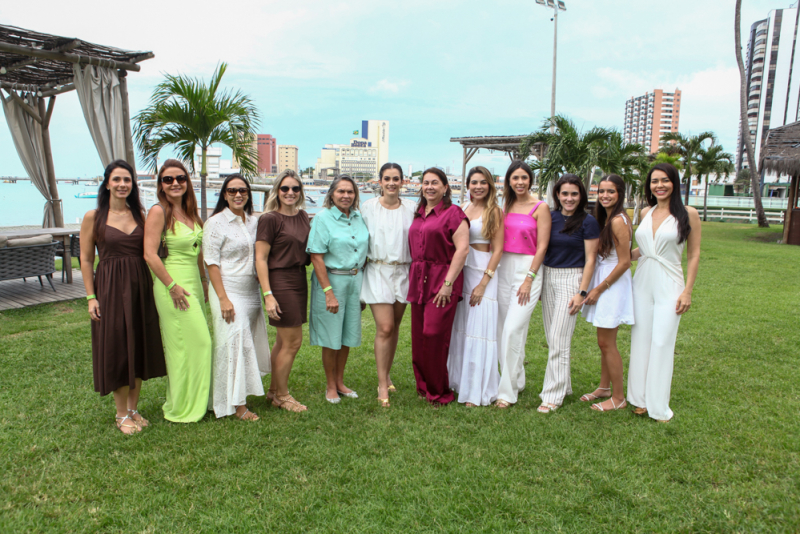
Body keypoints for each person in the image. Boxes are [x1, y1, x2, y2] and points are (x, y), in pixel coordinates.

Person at [81, 160, 166, 435]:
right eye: (116, 179)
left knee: (138, 345)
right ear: (107, 183)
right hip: (109, 287)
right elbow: (84, 259)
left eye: (127, 180)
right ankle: (120, 414)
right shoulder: (93, 217)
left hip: (140, 285)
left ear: (133, 185)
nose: (122, 185)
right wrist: (91, 297)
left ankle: (133, 409)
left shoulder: (140, 214)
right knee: (118, 347)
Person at [628, 163, 701, 422]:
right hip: (642, 280)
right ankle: (640, 399)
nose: (659, 185)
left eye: (665, 180)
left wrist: (687, 291)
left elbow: (693, 255)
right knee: (641, 339)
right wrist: (621, 257)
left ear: (674, 183)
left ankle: (659, 406)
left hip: (670, 281)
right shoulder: (646, 212)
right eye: (654, 181)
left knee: (662, 341)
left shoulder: (688, 213)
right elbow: (643, 249)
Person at [143, 159, 211, 423]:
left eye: (180, 178)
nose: (175, 183)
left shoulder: (192, 213)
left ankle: (197, 400)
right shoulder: (159, 212)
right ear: (161, 184)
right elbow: (149, 254)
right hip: (171, 285)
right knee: (194, 344)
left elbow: (198, 253)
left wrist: (204, 281)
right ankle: (183, 407)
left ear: (187, 182)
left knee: (193, 345)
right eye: (168, 179)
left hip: (193, 283)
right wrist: (171, 287)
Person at [203, 174, 270, 421]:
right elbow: (210, 262)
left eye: (242, 190)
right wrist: (222, 298)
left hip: (251, 292)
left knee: (245, 345)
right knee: (233, 345)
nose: (238, 195)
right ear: (224, 194)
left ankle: (237, 396)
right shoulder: (216, 223)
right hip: (228, 291)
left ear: (249, 194)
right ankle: (237, 406)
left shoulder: (254, 222)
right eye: (232, 191)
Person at [407, 167, 469, 406]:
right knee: (418, 336)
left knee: (433, 335)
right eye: (425, 183)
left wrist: (447, 284)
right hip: (419, 279)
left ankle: (439, 391)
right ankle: (423, 387)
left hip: (442, 280)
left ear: (445, 187)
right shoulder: (418, 213)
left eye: (435, 183)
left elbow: (462, 250)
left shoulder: (453, 213)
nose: (429, 187)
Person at [538, 174, 599, 414]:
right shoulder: (550, 217)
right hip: (548, 277)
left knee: (559, 341)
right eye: (564, 193)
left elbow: (591, 258)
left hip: (572, 279)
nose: (569, 198)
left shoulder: (588, 221)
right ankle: (565, 385)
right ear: (557, 195)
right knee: (553, 338)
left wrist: (581, 292)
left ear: (581, 196)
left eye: (574, 194)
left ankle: (552, 396)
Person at [307, 175, 370, 404]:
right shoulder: (323, 219)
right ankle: (330, 386)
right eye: (341, 191)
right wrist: (328, 293)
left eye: (350, 192)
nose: (346, 196)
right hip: (332, 281)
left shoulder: (358, 218)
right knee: (331, 336)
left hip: (355, 282)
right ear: (331, 194)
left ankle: (341, 381)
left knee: (347, 335)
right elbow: (316, 257)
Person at [494, 161, 551, 408]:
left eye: (524, 178)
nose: (519, 182)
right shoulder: (503, 206)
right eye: (515, 178)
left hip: (528, 270)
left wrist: (529, 279)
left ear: (531, 180)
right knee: (502, 330)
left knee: (513, 329)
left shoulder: (541, 207)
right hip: (503, 268)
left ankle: (506, 393)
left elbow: (543, 246)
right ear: (508, 181)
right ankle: (516, 379)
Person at [447, 166, 504, 407]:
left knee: (479, 330)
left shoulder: (495, 212)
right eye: (474, 182)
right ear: (467, 185)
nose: (478, 186)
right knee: (461, 328)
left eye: (483, 182)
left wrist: (483, 283)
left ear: (490, 185)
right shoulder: (461, 209)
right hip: (463, 272)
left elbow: (498, 249)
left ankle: (478, 389)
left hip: (483, 273)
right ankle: (459, 382)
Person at [360, 163, 416, 407]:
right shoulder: (368, 208)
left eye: (396, 178)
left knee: (394, 327)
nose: (391, 183)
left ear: (403, 181)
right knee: (384, 327)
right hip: (377, 269)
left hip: (404, 271)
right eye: (387, 178)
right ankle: (382, 383)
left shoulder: (412, 208)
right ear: (379, 182)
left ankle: (387, 373)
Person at [256, 170, 311, 412]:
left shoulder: (303, 216)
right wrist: (268, 294)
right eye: (285, 188)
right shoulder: (269, 219)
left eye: (295, 189)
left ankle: (272, 391)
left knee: (282, 340)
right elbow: (260, 259)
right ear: (276, 191)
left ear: (300, 192)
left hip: (299, 279)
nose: (290, 193)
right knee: (293, 342)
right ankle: (283, 395)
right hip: (280, 280)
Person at [580, 174, 634, 412]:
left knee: (607, 343)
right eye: (601, 191)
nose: (604, 195)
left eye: (610, 191)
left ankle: (619, 398)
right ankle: (604, 387)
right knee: (604, 342)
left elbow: (624, 263)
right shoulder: (609, 218)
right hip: (606, 280)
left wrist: (599, 289)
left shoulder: (618, 221)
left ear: (620, 194)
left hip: (612, 285)